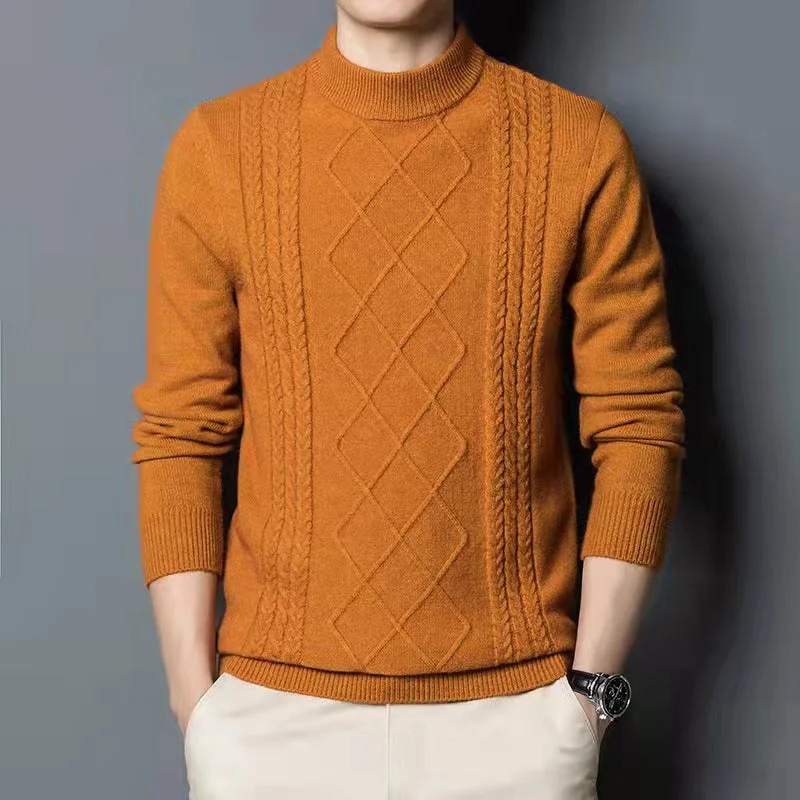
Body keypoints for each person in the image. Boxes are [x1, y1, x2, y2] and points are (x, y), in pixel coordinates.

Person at [130, 0, 686, 797]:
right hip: (272, 726)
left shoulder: (577, 144)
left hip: (513, 725)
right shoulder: (222, 147)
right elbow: (181, 434)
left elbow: (638, 424)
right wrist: (198, 708)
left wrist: (587, 700)